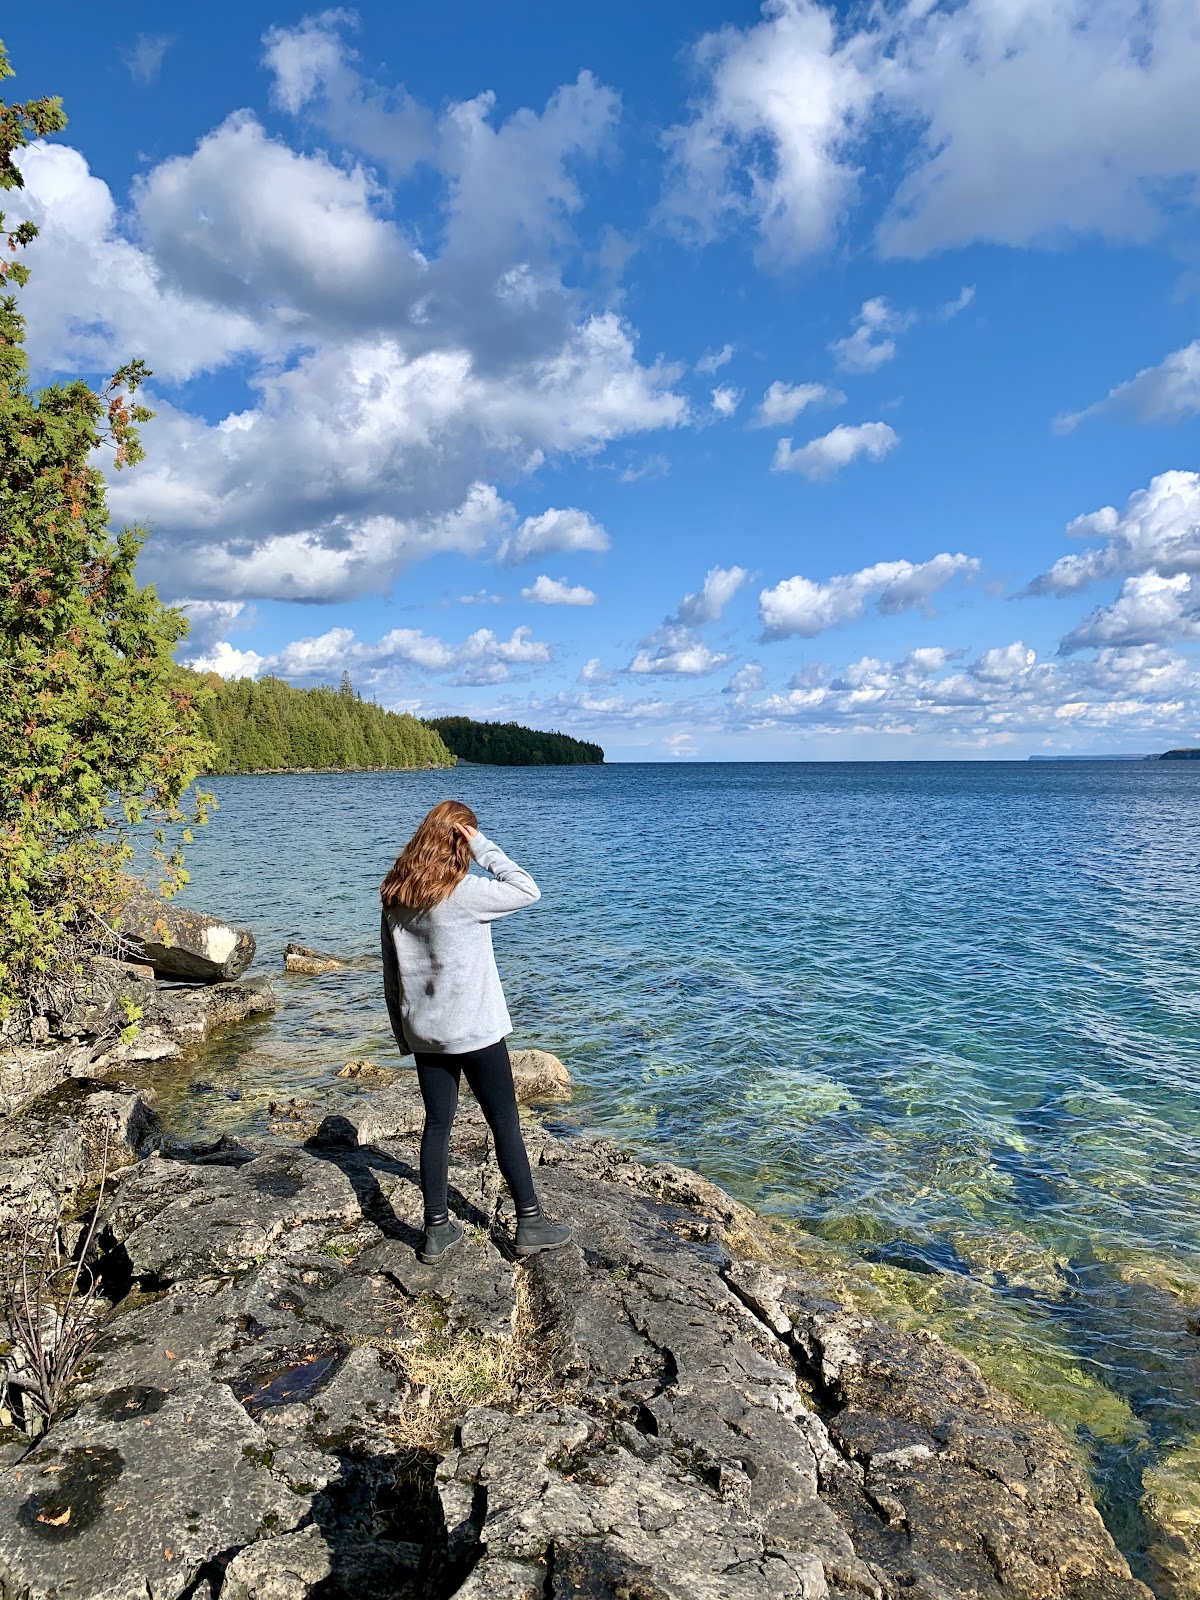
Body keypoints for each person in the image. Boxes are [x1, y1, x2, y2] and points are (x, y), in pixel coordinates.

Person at [380, 799, 572, 1264]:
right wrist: (483, 846)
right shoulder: (465, 893)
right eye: (467, 838)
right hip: (478, 1034)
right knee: (505, 1123)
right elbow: (528, 889)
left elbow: (391, 974)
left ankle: (435, 1232)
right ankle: (530, 1223)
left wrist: (404, 1035)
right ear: (458, 840)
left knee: (437, 1126)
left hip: (427, 1034)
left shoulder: (395, 894)